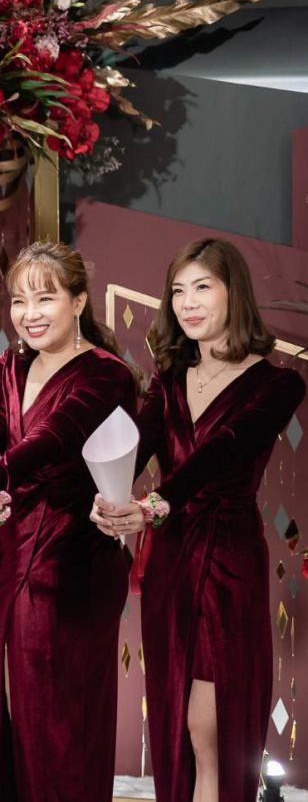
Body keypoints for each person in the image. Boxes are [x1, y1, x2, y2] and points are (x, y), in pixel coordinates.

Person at [91, 239, 305, 802]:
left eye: (203, 288)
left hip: (228, 558)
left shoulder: (278, 383)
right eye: (178, 291)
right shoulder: (168, 379)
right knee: (175, 718)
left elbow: (227, 450)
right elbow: (133, 448)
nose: (187, 303)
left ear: (235, 293)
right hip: (170, 562)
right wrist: (107, 497)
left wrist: (153, 505)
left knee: (209, 727)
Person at [0, 241, 136, 801]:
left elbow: (52, 439)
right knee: (17, 712)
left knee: (65, 723)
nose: (30, 314)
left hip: (76, 562)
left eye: (45, 298)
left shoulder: (107, 375)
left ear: (79, 301)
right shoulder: (8, 365)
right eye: (19, 301)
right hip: (17, 553)